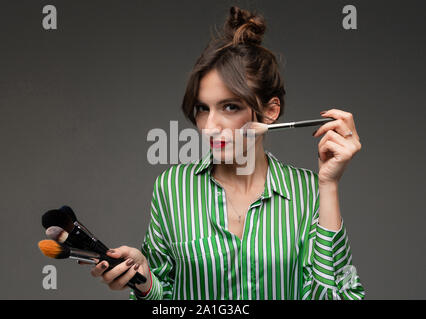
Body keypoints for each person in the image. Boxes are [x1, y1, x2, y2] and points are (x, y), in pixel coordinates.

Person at [86, 6, 365, 300]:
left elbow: (339, 296)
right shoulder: (172, 188)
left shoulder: (309, 191)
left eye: (230, 107)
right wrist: (144, 283)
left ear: (270, 111)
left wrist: (329, 185)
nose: (210, 126)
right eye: (203, 109)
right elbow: (164, 298)